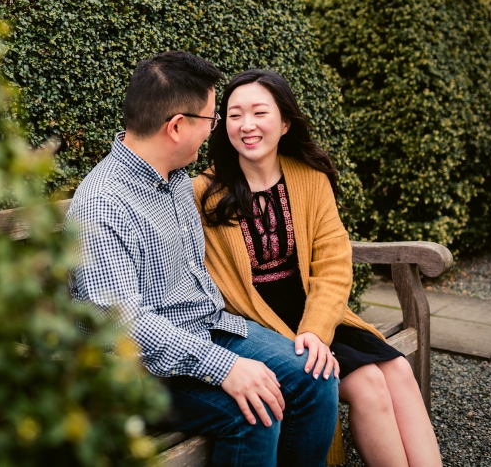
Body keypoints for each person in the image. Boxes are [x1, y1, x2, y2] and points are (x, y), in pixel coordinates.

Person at [67, 52, 339, 467]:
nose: (216, 131)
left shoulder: (173, 177)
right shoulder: (104, 204)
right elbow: (121, 324)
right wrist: (224, 367)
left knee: (315, 379)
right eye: (212, 120)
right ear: (176, 127)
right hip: (132, 371)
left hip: (205, 329)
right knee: (256, 412)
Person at [193, 69, 442, 467]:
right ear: (223, 126)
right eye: (235, 115)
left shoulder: (309, 178)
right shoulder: (203, 191)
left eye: (260, 112)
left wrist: (316, 329)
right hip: (260, 327)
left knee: (396, 369)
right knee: (369, 385)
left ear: (285, 122)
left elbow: (333, 261)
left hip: (317, 316)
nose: (247, 125)